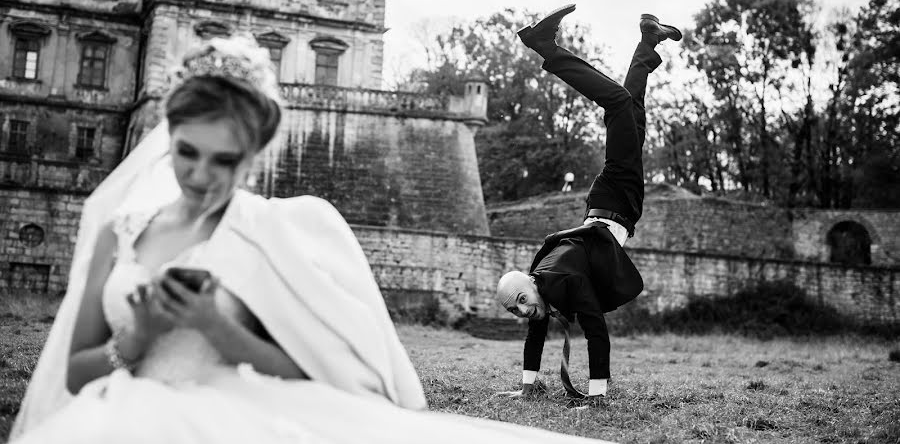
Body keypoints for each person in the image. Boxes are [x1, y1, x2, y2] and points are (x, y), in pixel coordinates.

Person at [11, 36, 611, 444]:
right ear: (167, 137)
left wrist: (218, 330)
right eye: (187, 152)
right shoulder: (122, 230)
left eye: (224, 161)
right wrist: (136, 339)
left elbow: (320, 373)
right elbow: (71, 372)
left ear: (252, 159)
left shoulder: (269, 232)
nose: (199, 176)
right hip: (117, 419)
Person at [496, 4, 682, 406]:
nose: (524, 313)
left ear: (529, 286)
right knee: (631, 109)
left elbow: (596, 329)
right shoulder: (544, 288)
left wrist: (597, 395)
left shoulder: (561, 281)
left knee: (617, 105)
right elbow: (536, 332)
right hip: (612, 205)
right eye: (517, 310)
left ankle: (544, 45)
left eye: (521, 303)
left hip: (617, 197)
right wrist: (528, 385)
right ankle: (648, 39)